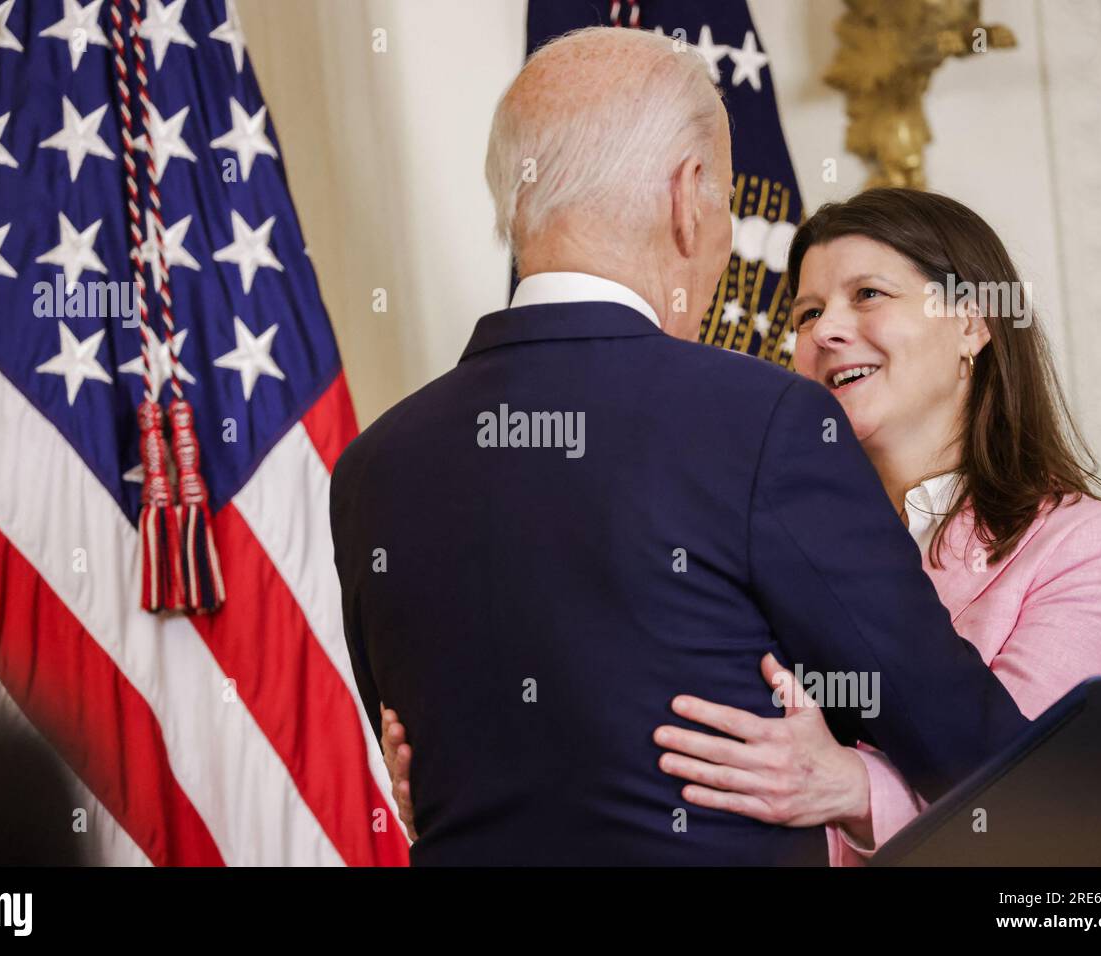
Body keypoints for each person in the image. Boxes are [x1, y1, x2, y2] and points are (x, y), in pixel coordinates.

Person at [330, 27, 1027, 866]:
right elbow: (980, 759)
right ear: (687, 195)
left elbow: (430, 762)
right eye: (728, 199)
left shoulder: (370, 468)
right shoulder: (765, 421)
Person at [378, 188, 1101, 865]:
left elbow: (1047, 800)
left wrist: (852, 790)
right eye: (809, 311)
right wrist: (471, 769)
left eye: (869, 296)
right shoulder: (752, 520)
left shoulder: (1089, 547)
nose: (825, 331)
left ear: (973, 325)